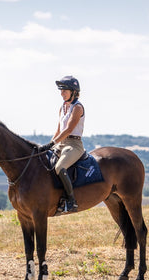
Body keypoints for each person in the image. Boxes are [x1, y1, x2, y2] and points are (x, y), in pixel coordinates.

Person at [40, 75, 86, 214]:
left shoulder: (77, 107)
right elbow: (59, 130)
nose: (61, 93)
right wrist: (49, 145)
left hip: (74, 144)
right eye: (61, 91)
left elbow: (69, 129)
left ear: (73, 91)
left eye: (64, 90)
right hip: (61, 142)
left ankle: (71, 201)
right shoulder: (62, 107)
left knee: (60, 167)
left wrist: (54, 143)